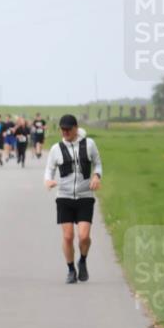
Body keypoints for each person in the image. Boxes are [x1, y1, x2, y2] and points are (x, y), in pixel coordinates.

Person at [43, 114, 103, 284]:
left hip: (85, 197)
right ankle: (70, 269)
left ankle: (82, 260)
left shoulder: (89, 144)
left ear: (76, 128)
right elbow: (49, 169)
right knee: (68, 236)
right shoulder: (56, 148)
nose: (65, 132)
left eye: (68, 129)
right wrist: (48, 180)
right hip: (64, 197)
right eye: (62, 129)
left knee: (83, 236)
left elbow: (98, 164)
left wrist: (96, 176)